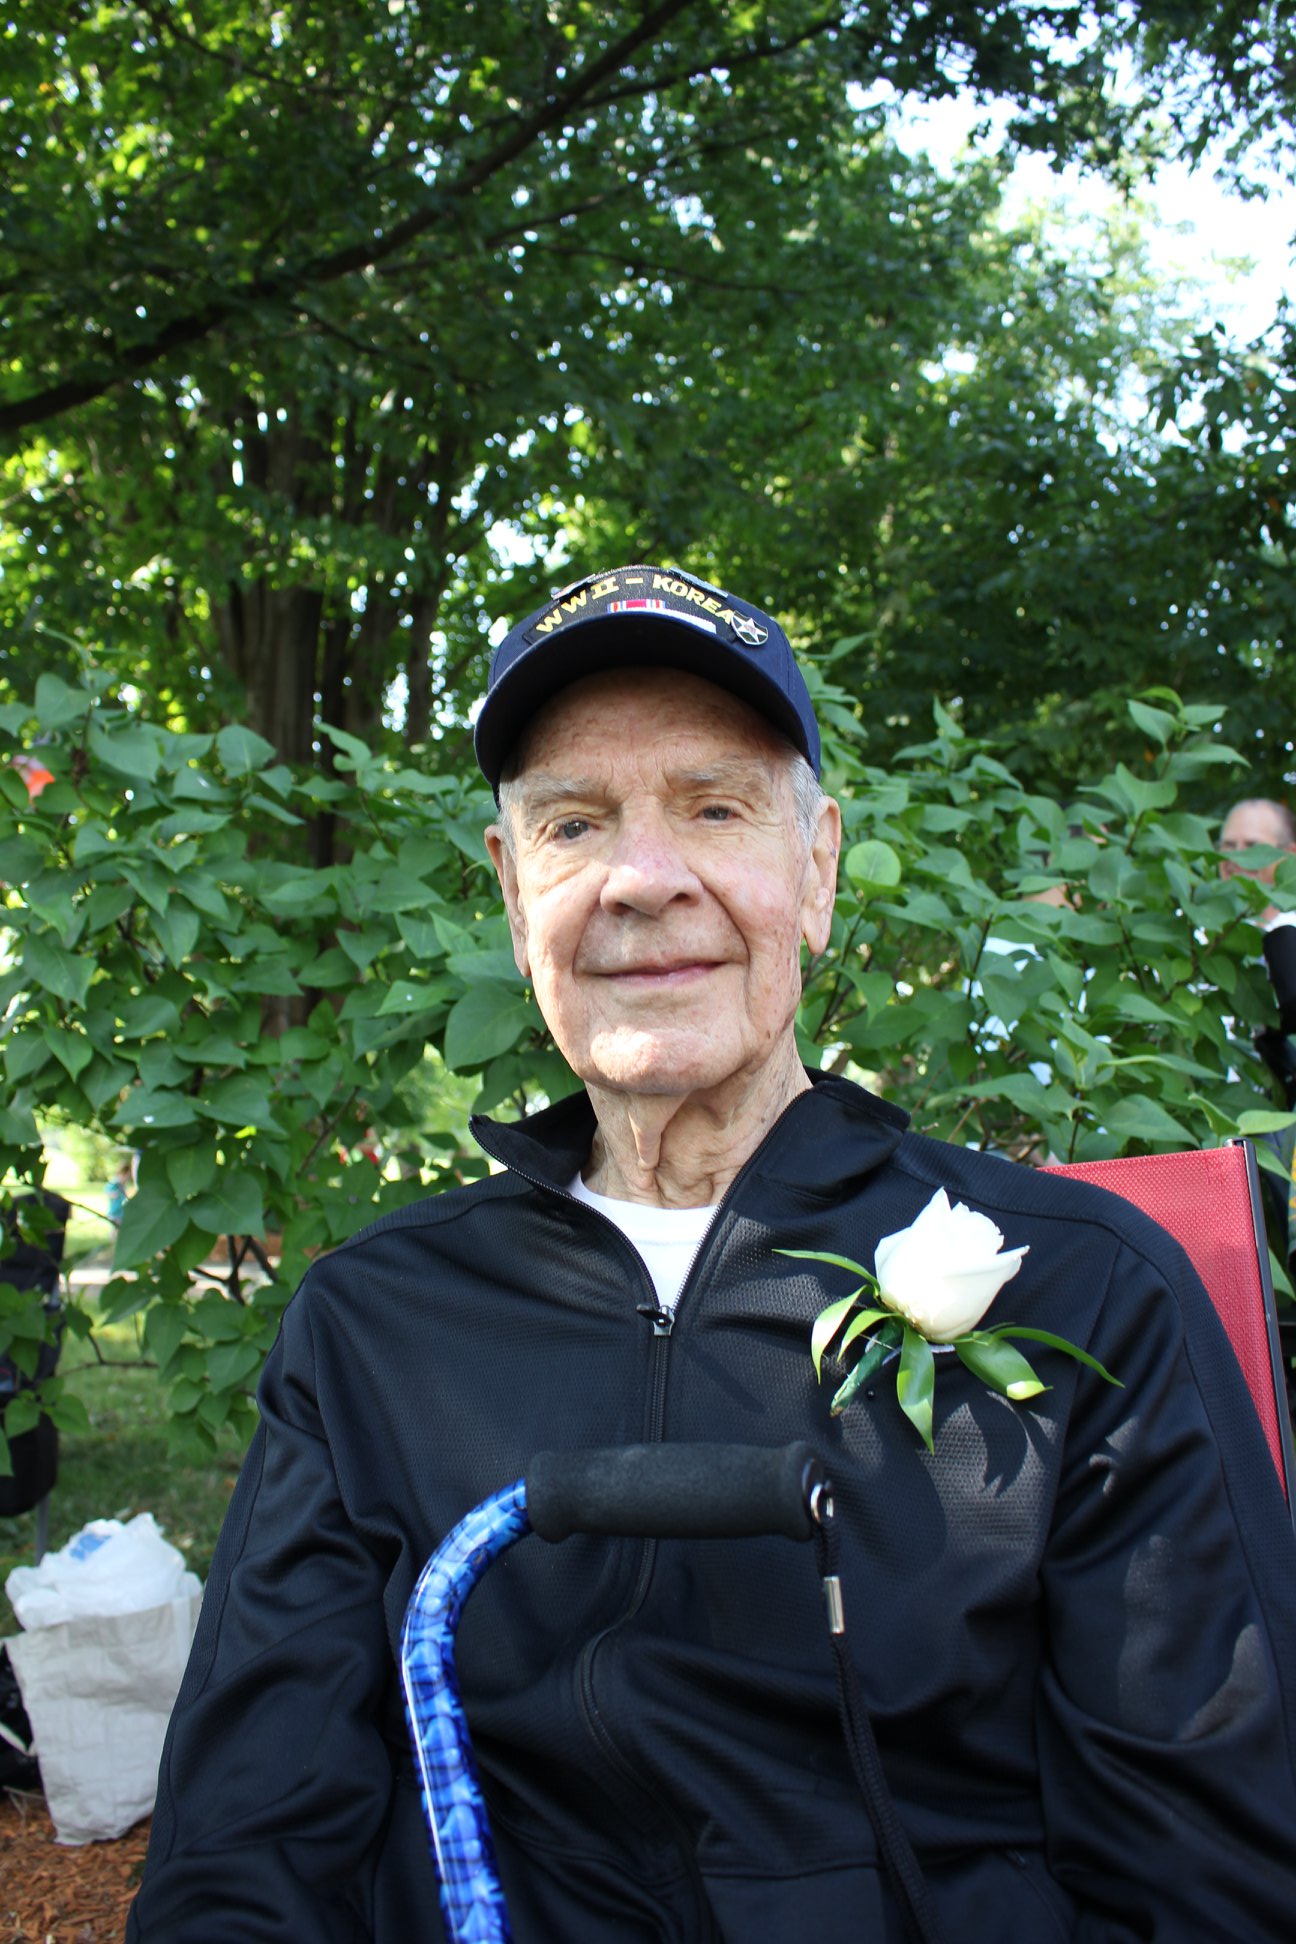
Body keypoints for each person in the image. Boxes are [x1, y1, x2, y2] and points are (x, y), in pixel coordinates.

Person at [130, 565, 1296, 1941]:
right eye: (574, 824)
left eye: (713, 807)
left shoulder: (1086, 1287)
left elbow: (1206, 1877)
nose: (640, 879)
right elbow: (249, 1847)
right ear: (516, 897)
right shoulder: (372, 1325)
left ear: (818, 869)